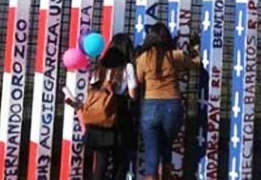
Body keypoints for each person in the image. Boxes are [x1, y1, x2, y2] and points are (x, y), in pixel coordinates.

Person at [135, 23, 199, 180]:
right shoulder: (176, 56)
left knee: (151, 155)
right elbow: (196, 65)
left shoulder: (143, 58)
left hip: (150, 106)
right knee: (166, 147)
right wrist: (195, 49)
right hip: (172, 106)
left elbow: (138, 80)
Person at [82, 33, 137, 180]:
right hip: (119, 116)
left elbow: (92, 89)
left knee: (101, 163)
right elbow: (133, 94)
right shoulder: (128, 67)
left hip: (99, 118)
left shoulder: (99, 66)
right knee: (121, 161)